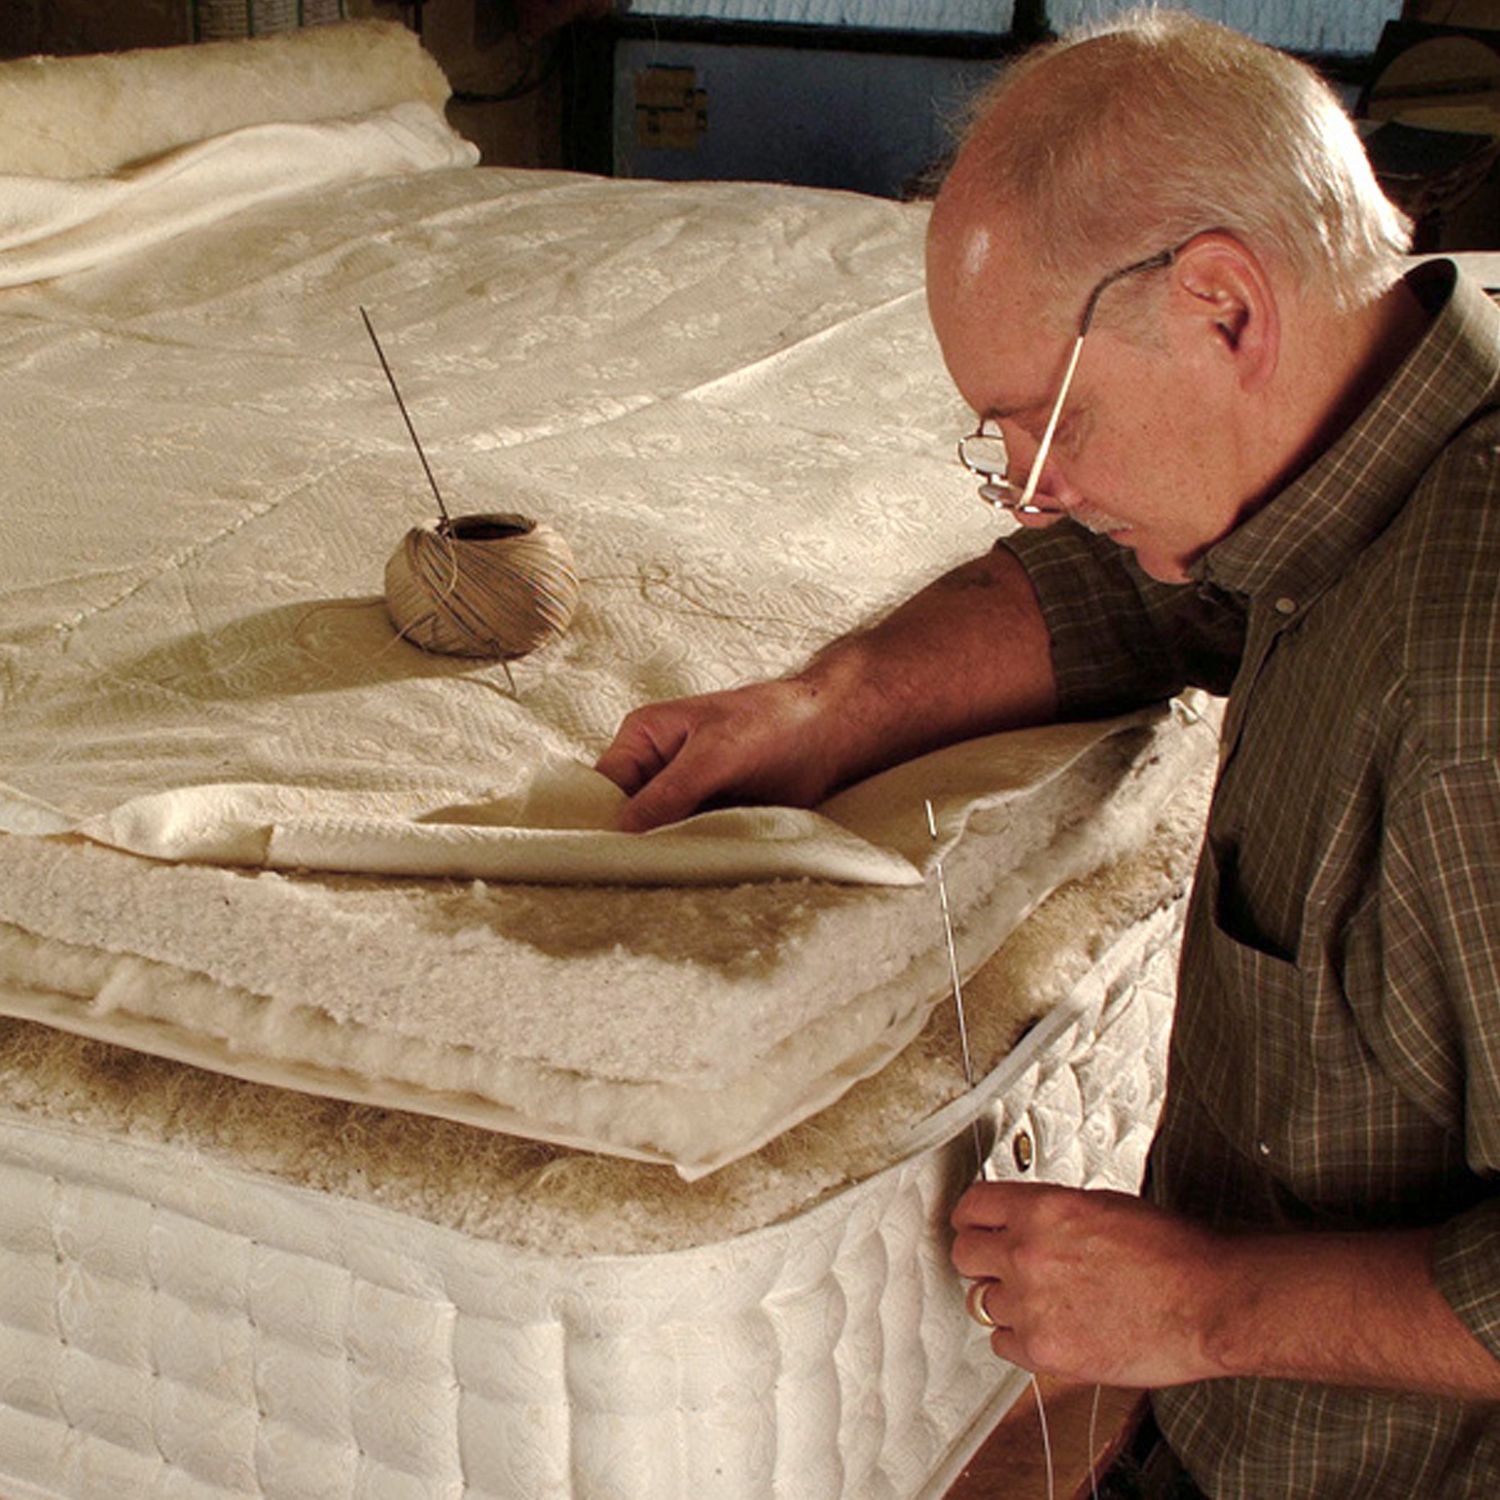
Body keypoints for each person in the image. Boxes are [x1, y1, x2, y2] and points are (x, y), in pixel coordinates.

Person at [595, 9, 1500, 1495]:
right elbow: (1140, 595)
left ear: (1225, 308)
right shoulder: (1372, 417)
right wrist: (830, 706)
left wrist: (1201, 1307)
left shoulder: (1466, 688)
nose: (1029, 491)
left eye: (1048, 421)